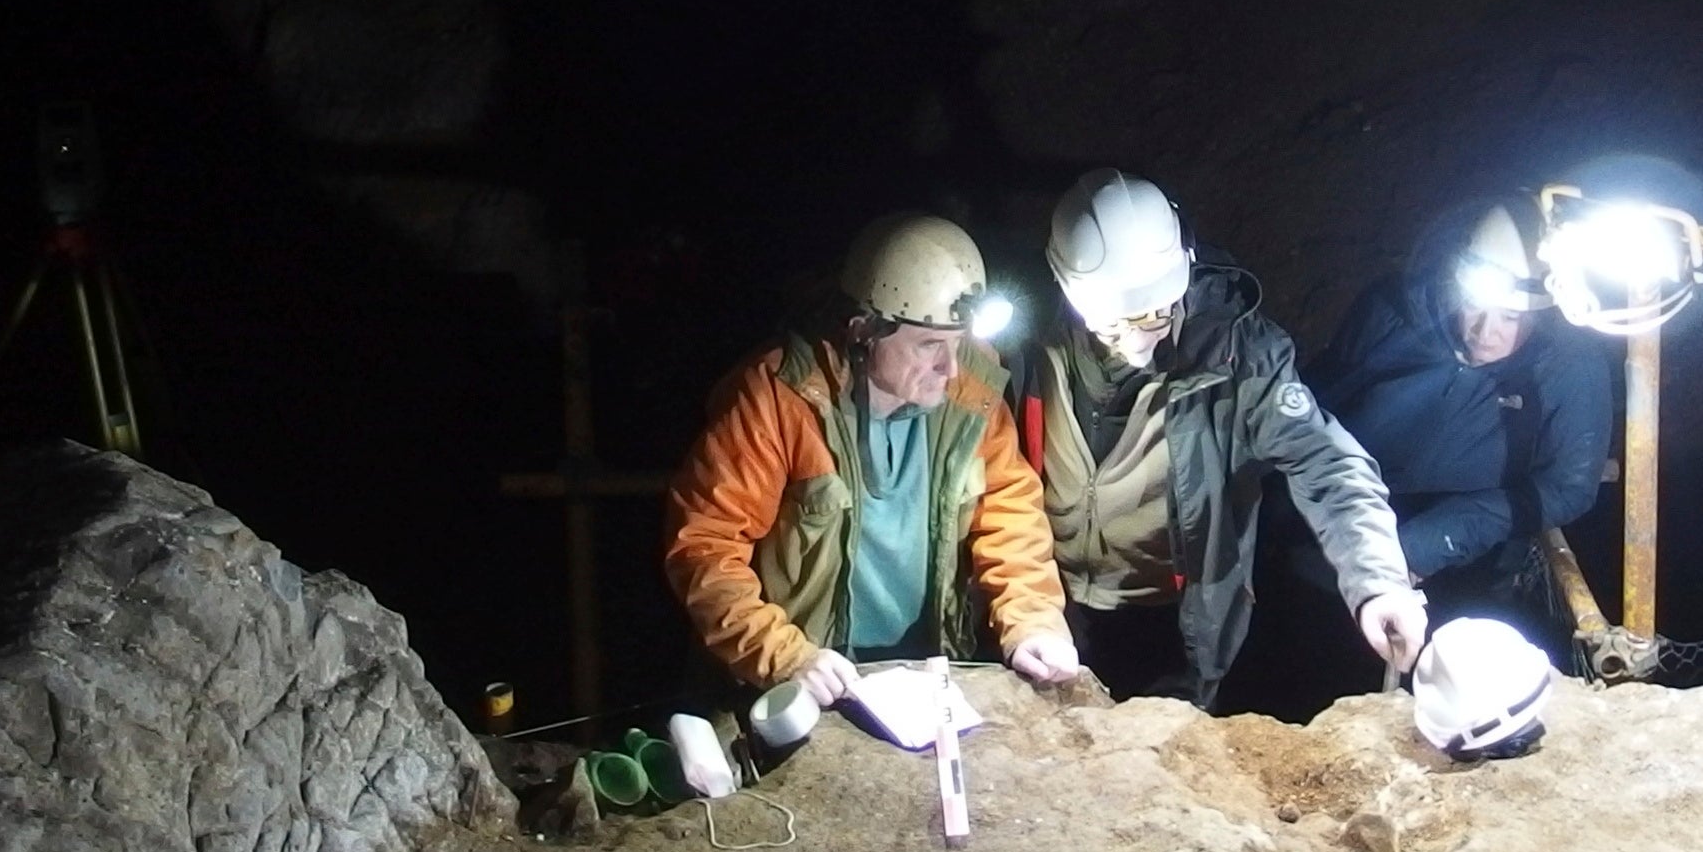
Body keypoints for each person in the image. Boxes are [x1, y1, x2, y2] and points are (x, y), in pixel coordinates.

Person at [1029, 168, 1425, 705]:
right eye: (1111, 323)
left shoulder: (1237, 356)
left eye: (1152, 315)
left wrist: (1378, 580)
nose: (1132, 341)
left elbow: (1326, 463)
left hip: (1169, 622)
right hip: (1047, 606)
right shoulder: (1030, 337)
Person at [662, 214, 1083, 706]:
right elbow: (705, 546)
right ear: (864, 332)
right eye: (929, 346)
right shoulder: (777, 399)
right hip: (810, 677)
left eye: (958, 343)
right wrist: (783, 656)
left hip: (927, 671)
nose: (949, 368)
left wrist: (1032, 620)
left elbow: (1009, 511)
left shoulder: (972, 385)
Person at [1307, 200, 1616, 657]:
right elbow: (1319, 404)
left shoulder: (1568, 367)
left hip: (1470, 570)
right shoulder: (1392, 311)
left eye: (1512, 317)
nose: (1485, 331)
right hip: (1340, 533)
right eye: (1476, 306)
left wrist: (1433, 540)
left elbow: (1570, 486)